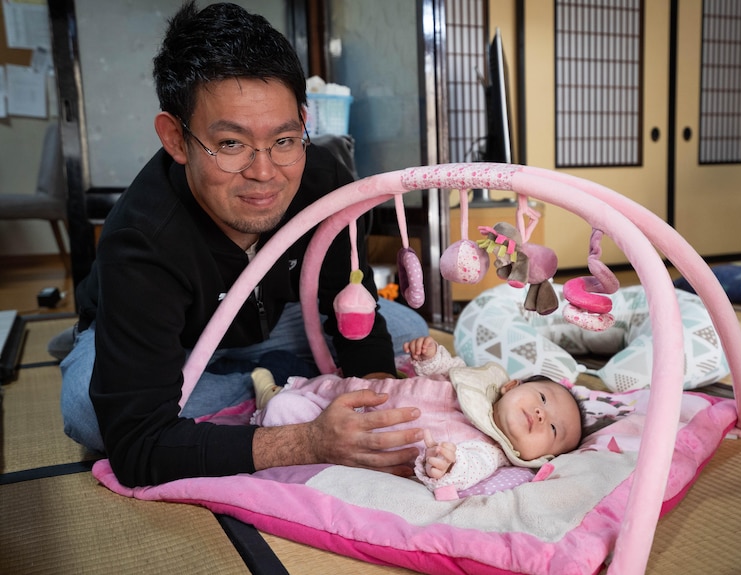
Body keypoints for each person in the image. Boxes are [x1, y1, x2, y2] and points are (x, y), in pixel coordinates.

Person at [59, 1, 428, 488]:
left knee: (407, 332)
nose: (264, 173)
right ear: (175, 138)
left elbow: (346, 303)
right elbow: (138, 448)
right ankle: (270, 386)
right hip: (182, 337)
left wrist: (377, 394)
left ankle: (269, 382)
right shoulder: (141, 237)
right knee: (90, 410)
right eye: (231, 144)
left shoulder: (326, 184)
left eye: (284, 139)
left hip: (280, 318)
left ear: (303, 120)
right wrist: (309, 439)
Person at [251, 336, 586, 500]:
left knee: (285, 412)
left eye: (554, 429)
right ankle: (283, 387)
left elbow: (461, 471)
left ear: (538, 456)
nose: (542, 415)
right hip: (365, 395)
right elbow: (449, 369)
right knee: (324, 390)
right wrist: (430, 355)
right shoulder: (483, 385)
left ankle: (271, 397)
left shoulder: (489, 452)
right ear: (511, 385)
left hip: (356, 438)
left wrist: (445, 465)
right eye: (543, 398)